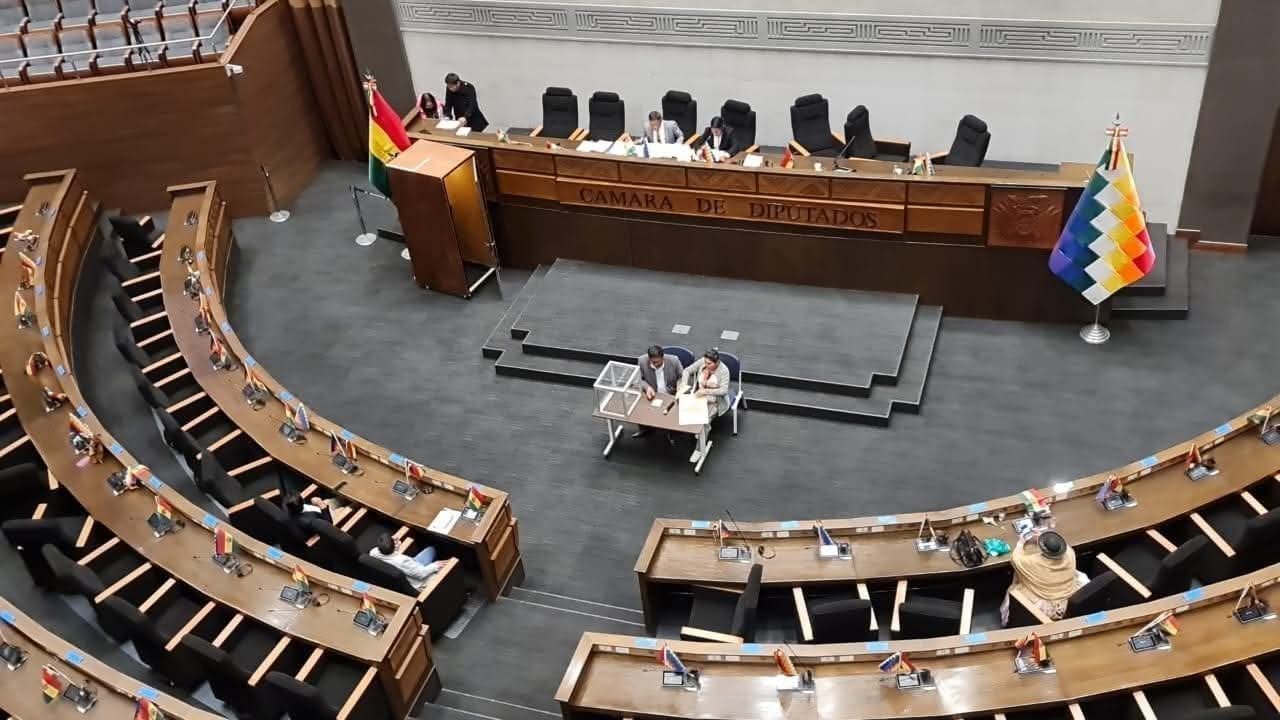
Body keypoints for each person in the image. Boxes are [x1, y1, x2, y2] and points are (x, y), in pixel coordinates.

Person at [1000, 530, 1089, 625]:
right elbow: (1063, 545)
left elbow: (1015, 558)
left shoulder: (1033, 562)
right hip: (1067, 597)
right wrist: (1042, 537)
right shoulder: (1070, 553)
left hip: (1044, 604)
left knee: (1018, 578)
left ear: (1043, 549)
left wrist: (1021, 543)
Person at [633, 345, 684, 439]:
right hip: (653, 394)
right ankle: (645, 428)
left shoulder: (674, 361)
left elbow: (682, 377)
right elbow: (638, 379)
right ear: (649, 358)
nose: (655, 365)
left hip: (671, 394)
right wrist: (647, 387)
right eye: (653, 362)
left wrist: (679, 388)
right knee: (643, 409)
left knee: (671, 415)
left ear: (663, 358)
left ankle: (672, 433)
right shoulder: (642, 361)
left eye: (658, 362)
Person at [369, 533, 444, 592]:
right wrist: (435, 565)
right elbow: (421, 574)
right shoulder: (402, 561)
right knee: (444, 564)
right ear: (393, 546)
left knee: (431, 549)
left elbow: (387, 550)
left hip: (413, 566)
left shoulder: (374, 553)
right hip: (422, 580)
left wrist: (393, 546)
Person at [678, 348, 731, 419]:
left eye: (709, 363)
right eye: (705, 362)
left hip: (715, 400)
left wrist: (705, 391)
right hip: (698, 396)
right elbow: (687, 371)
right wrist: (683, 384)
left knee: (702, 419)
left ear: (717, 362)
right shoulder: (703, 361)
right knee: (685, 414)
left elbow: (723, 390)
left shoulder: (724, 371)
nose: (706, 365)